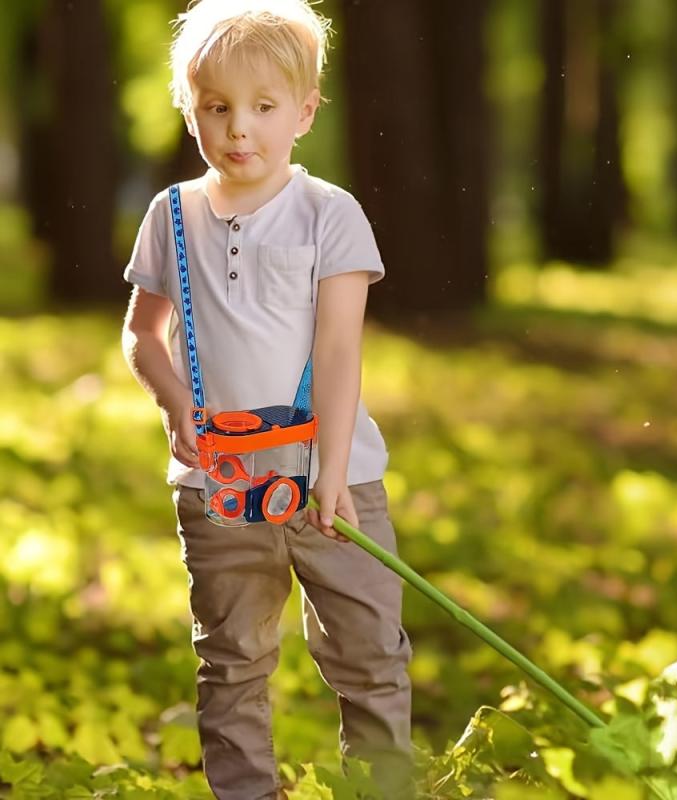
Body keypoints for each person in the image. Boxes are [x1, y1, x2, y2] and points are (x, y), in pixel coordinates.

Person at [120, 1, 413, 797]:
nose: (238, 129)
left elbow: (340, 350)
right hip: (218, 490)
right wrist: (174, 401)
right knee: (231, 661)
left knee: (368, 652)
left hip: (334, 481)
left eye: (262, 107)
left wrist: (329, 470)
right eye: (217, 108)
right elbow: (143, 334)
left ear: (305, 111)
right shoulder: (170, 215)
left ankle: (381, 787)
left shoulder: (330, 214)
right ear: (191, 109)